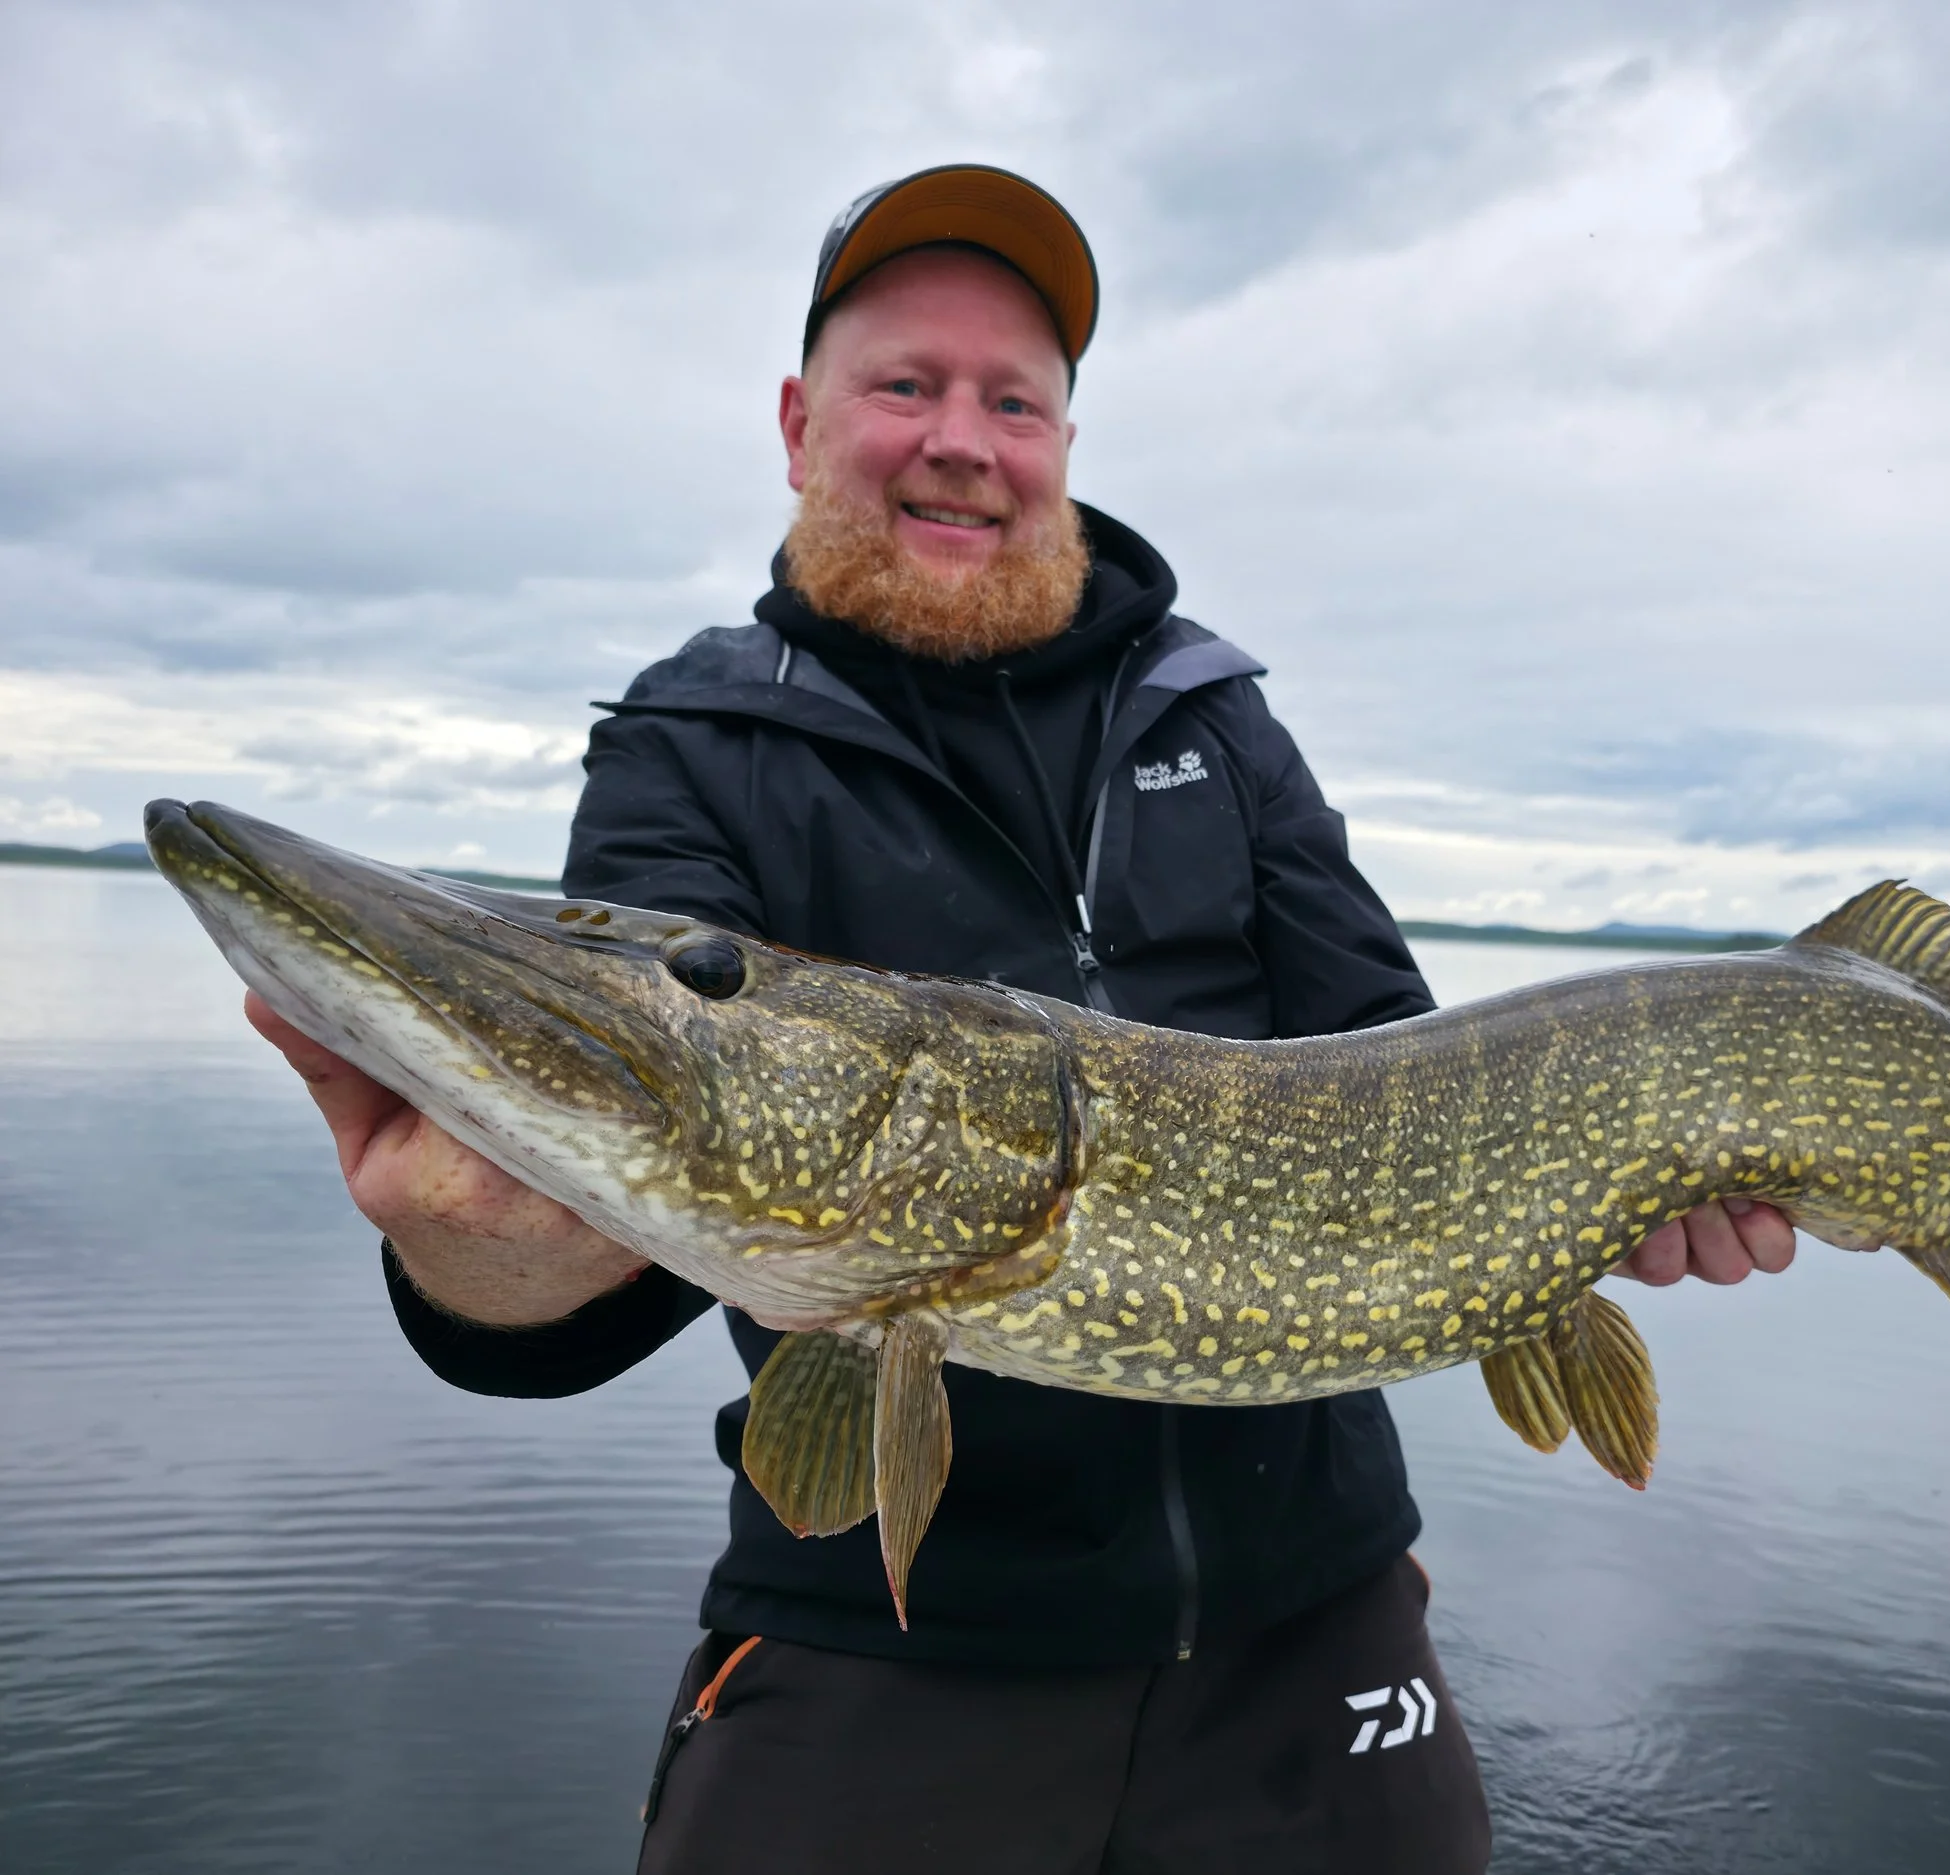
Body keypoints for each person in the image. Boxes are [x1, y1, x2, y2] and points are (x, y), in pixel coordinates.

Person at [244, 164, 1799, 1874]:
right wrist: (478, 1244)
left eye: (1015, 400)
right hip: (884, 1631)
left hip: (1312, 1612)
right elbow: (598, 1282)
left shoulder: (1215, 715)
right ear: (797, 421)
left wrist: (1597, 1194)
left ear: (1064, 441)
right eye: (904, 384)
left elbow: (1408, 1066)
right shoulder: (690, 749)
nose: (961, 439)